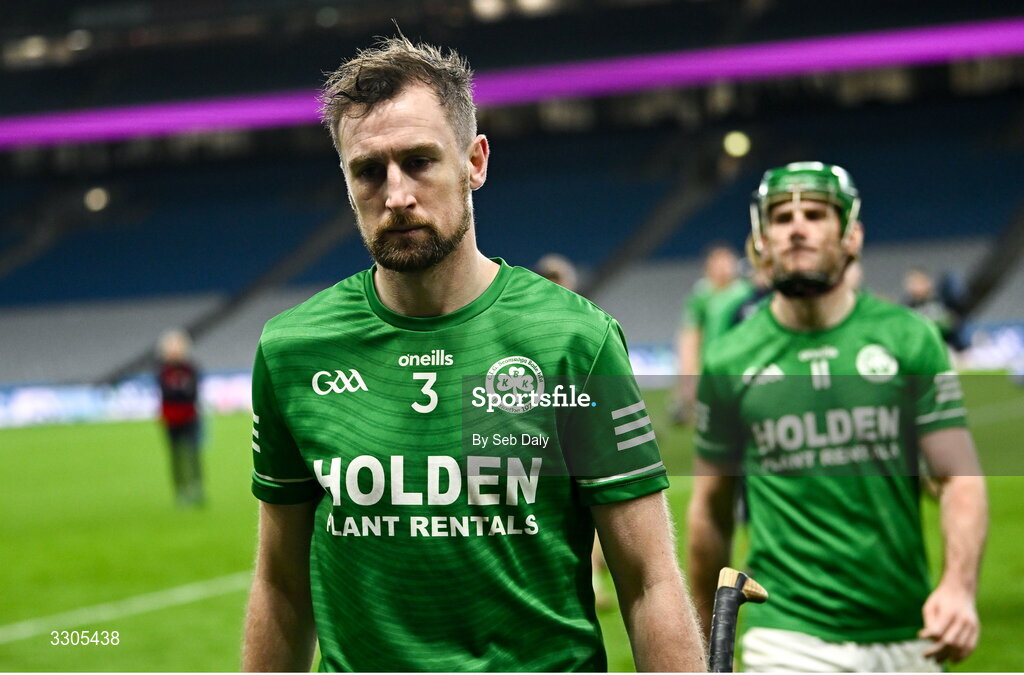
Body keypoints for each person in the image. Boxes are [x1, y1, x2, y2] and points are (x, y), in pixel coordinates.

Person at [242, 36, 705, 673]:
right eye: (368, 171)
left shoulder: (575, 341)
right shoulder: (293, 350)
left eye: (419, 161)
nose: (396, 194)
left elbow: (649, 579)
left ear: (475, 161)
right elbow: (281, 587)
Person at [685, 162, 988, 672]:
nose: (797, 227)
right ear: (761, 240)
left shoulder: (909, 337)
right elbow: (710, 510)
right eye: (782, 216)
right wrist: (699, 636)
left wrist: (959, 587)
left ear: (852, 235)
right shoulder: (729, 359)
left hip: (909, 634)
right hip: (785, 634)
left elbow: (959, 476)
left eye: (816, 213)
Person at [673, 244, 752, 424]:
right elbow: (689, 337)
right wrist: (687, 380)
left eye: (727, 261)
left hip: (741, 367)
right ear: (708, 267)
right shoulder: (701, 296)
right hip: (712, 370)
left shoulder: (747, 293)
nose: (724, 267)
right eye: (718, 262)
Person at [156, 328, 204, 507]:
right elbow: (168, 394)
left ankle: (197, 489)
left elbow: (192, 394)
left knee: (193, 455)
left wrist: (180, 392)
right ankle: (180, 491)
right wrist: (181, 390)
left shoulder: (191, 368)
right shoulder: (162, 371)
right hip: (171, 419)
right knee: (176, 457)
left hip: (190, 417)